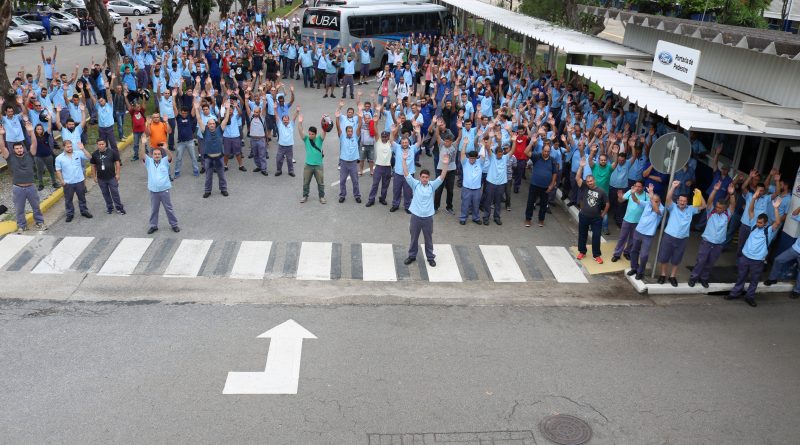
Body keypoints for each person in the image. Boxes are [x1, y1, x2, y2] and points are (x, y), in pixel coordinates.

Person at [725, 196, 783, 307]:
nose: (758, 224)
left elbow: (778, 222)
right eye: (758, 222)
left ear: (766, 223)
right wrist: (753, 199)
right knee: (741, 277)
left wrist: (776, 208)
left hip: (757, 261)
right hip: (745, 257)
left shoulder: (769, 231)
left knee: (754, 280)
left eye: (761, 223)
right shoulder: (753, 225)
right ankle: (735, 293)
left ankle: (750, 297)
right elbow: (750, 211)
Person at [402, 149, 450, 267]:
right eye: (423, 177)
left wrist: (445, 164)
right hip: (416, 217)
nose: (424, 179)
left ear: (429, 178)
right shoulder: (415, 184)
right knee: (414, 238)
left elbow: (442, 177)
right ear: (419, 177)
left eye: (426, 177)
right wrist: (403, 160)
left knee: (428, 239)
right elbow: (406, 173)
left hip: (428, 217)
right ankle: (412, 256)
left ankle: (430, 257)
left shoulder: (432, 185)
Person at [0, 121, 47, 233]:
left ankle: (39, 223)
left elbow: (34, 144)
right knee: (19, 209)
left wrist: (31, 132)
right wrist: (1, 135)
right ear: (14, 150)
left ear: (23, 148)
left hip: (31, 187)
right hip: (18, 188)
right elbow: (2, 147)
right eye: (17, 148)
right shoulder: (10, 158)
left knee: (36, 207)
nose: (19, 150)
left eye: (21, 148)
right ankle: (22, 225)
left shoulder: (30, 155)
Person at [688, 181, 736, 288]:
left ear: (724, 208)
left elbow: (733, 205)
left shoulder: (727, 214)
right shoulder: (711, 212)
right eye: (717, 207)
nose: (718, 209)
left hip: (718, 244)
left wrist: (732, 194)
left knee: (710, 262)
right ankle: (693, 277)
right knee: (701, 261)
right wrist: (715, 190)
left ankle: (704, 278)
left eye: (720, 208)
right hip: (707, 242)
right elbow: (709, 201)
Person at [575, 156, 609, 264]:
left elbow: (607, 204)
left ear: (594, 180)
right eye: (588, 181)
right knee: (582, 235)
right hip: (584, 216)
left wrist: (603, 214)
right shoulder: (584, 186)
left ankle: (596, 255)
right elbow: (577, 178)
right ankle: (582, 252)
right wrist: (581, 166)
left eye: (591, 181)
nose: (589, 182)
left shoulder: (601, 191)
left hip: (596, 218)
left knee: (596, 236)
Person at [140, 141, 180, 234]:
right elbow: (142, 155)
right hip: (154, 191)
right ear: (152, 155)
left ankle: (174, 225)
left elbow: (170, 157)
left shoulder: (165, 161)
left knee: (169, 208)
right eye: (155, 154)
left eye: (158, 154)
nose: (157, 155)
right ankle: (153, 226)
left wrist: (166, 149)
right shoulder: (149, 162)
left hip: (164, 190)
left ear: (161, 155)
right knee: (154, 209)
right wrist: (143, 144)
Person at [627, 184, 664, 281]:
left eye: (656, 201)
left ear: (659, 202)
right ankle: (634, 268)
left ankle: (640, 272)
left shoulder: (661, 208)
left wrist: (651, 198)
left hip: (648, 235)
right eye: (653, 200)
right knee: (634, 251)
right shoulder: (648, 203)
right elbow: (636, 200)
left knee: (644, 255)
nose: (653, 202)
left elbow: (657, 210)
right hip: (638, 231)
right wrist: (633, 193)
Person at [764, 206, 800, 298]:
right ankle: (773, 278)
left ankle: (797, 291)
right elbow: (793, 215)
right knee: (778, 259)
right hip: (795, 249)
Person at [55, 140, 93, 222]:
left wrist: (83, 149)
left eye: (71, 146)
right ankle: (70, 214)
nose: (70, 148)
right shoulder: (59, 158)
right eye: (68, 147)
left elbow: (90, 157)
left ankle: (84, 211)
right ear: (64, 147)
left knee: (82, 198)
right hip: (68, 183)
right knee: (68, 200)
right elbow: (58, 170)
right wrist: (62, 181)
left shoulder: (78, 153)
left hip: (79, 181)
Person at [524, 135, 557, 228]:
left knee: (543, 204)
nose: (546, 153)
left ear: (550, 152)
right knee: (530, 202)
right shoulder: (537, 156)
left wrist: (551, 185)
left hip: (546, 186)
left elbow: (555, 173)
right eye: (545, 151)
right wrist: (531, 143)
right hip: (534, 184)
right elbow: (526, 152)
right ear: (542, 150)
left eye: (548, 151)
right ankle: (528, 219)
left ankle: (541, 220)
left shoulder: (552, 160)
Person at [334, 102, 364, 202]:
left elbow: (359, 125)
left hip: (353, 163)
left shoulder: (356, 136)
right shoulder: (342, 137)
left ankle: (357, 196)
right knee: (342, 181)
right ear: (346, 131)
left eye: (351, 131)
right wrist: (337, 118)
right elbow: (338, 126)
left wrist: (360, 113)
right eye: (348, 131)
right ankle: (342, 195)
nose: (350, 133)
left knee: (355, 181)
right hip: (343, 162)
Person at [611, 180, 646, 262]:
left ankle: (627, 252)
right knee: (622, 237)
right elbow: (621, 201)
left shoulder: (646, 196)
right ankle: (617, 254)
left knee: (633, 239)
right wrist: (619, 197)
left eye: (639, 186)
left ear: (643, 187)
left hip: (638, 222)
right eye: (636, 186)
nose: (637, 188)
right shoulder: (630, 191)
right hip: (627, 219)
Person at [297, 111, 327, 203]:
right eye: (309, 133)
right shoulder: (306, 139)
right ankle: (305, 196)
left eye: (312, 134)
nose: (310, 135)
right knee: (306, 182)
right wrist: (300, 123)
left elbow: (324, 131)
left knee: (320, 183)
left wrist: (323, 121)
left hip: (318, 165)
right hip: (308, 165)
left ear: (315, 134)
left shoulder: (319, 139)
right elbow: (300, 131)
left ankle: (321, 197)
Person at [90, 139, 125, 215]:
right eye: (99, 144)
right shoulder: (95, 154)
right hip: (101, 179)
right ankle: (110, 207)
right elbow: (93, 166)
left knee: (115, 193)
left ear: (105, 144)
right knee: (105, 193)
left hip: (112, 177)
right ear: (97, 145)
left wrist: (118, 174)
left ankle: (119, 208)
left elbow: (117, 163)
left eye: (102, 144)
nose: (101, 146)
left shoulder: (112, 152)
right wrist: (94, 176)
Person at [366, 109, 392, 207]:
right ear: (381, 137)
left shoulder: (390, 143)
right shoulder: (378, 142)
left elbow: (394, 133)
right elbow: (376, 131)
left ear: (388, 137)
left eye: (386, 136)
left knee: (385, 185)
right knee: (375, 184)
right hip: (379, 167)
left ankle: (382, 198)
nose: (384, 138)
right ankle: (371, 199)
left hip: (388, 167)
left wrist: (396, 126)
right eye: (383, 136)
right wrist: (375, 122)